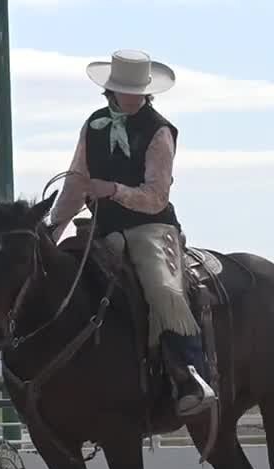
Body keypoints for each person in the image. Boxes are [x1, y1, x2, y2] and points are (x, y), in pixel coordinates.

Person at [44, 49, 216, 417]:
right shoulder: (93, 125)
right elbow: (76, 181)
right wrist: (53, 230)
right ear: (111, 90)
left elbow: (157, 196)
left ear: (146, 92)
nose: (130, 96)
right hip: (101, 227)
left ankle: (189, 374)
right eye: (123, 89)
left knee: (161, 287)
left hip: (150, 227)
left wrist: (114, 190)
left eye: (135, 90)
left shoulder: (159, 131)